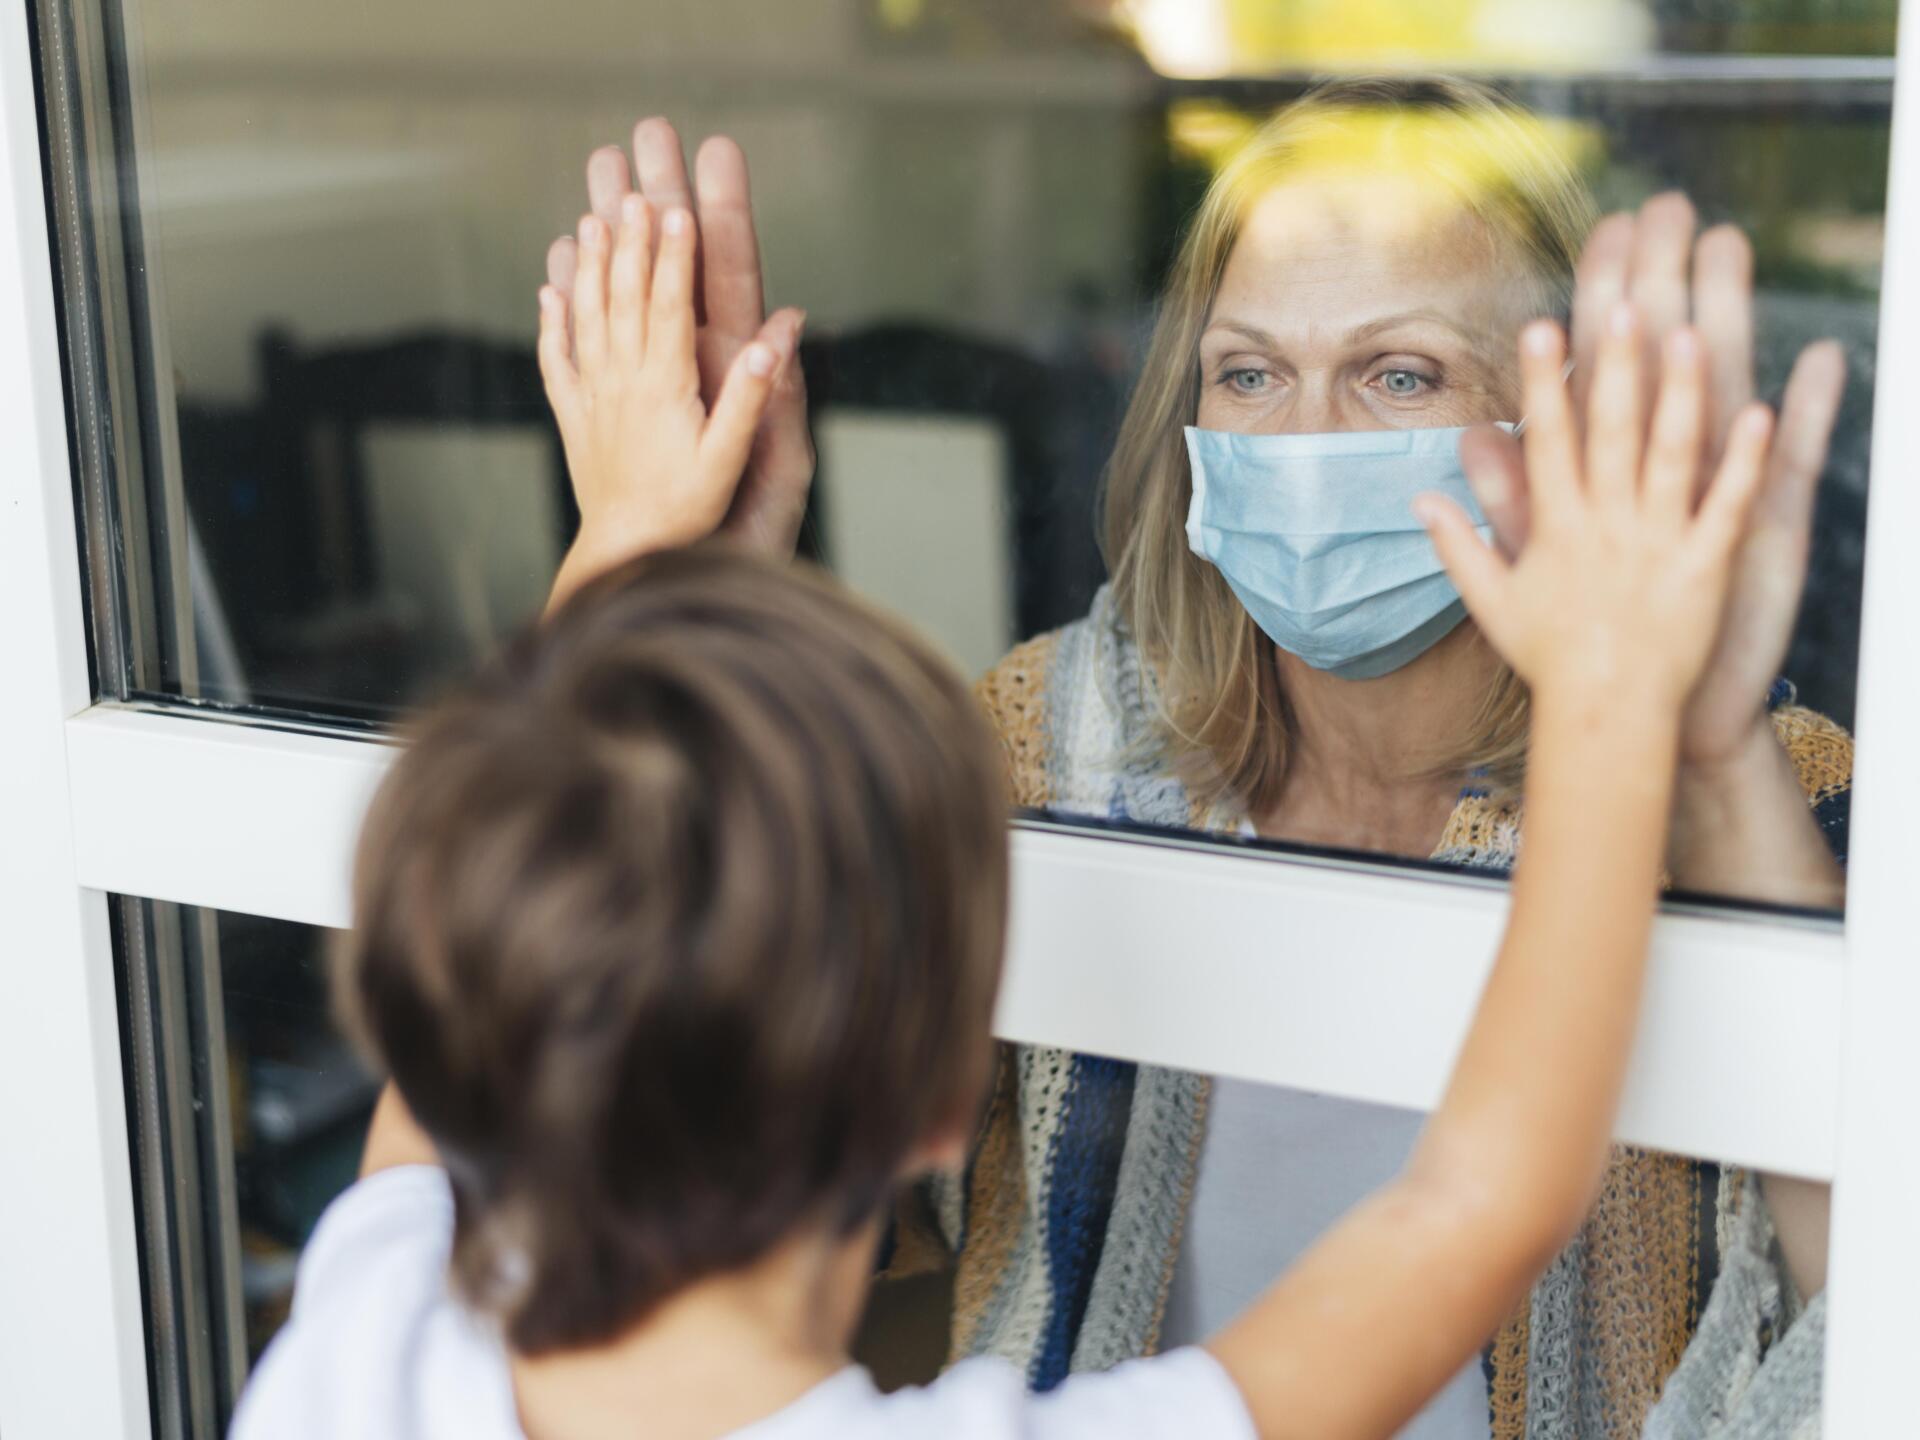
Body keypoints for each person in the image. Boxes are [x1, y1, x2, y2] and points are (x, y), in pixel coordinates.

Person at [230, 167, 1778, 1440]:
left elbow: (461, 1032)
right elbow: (1483, 1201)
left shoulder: (356, 1352)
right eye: (1249, 372)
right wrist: (1616, 693)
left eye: (1393, 373)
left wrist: (638, 533)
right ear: (937, 1113)